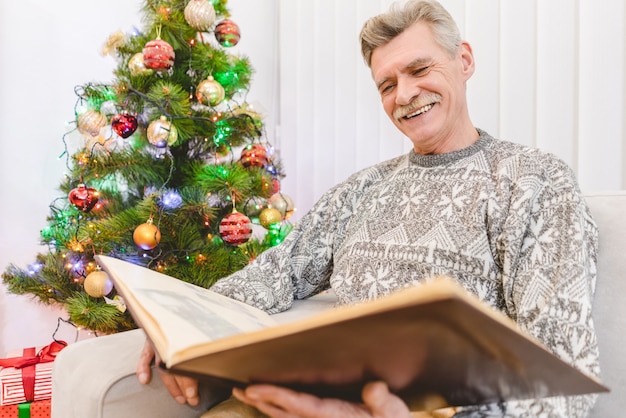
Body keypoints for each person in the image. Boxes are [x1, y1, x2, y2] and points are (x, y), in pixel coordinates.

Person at [137, 0, 600, 416]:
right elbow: (277, 273)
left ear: (464, 61)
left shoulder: (534, 180)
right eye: (387, 84)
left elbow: (560, 366)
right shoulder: (364, 188)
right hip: (305, 401)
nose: (404, 95)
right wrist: (179, 327)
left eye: (420, 69)